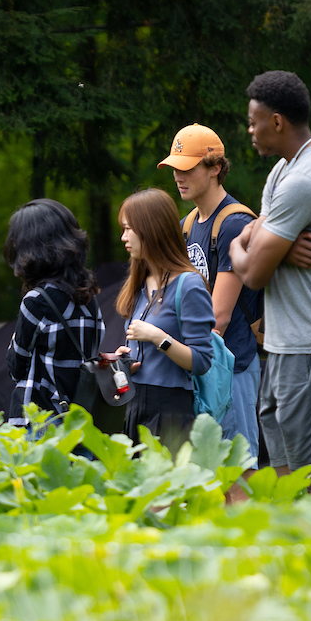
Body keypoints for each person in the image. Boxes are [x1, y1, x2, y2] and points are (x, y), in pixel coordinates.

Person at [159, 123, 311, 470]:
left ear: (216, 168)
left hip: (231, 364)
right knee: (206, 473)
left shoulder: (234, 223)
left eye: (188, 168)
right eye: (175, 168)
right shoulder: (187, 224)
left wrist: (179, 352)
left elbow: (219, 316)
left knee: (238, 470)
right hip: (199, 363)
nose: (178, 176)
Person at [230, 71, 311, 496]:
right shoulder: (283, 172)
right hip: (286, 343)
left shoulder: (306, 179)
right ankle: (291, 533)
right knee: (285, 464)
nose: (250, 131)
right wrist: (273, 247)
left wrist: (239, 245)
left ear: (277, 121)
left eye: (254, 122)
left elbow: (252, 272)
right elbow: (255, 238)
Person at [115, 188, 216, 454]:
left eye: (128, 229)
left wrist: (158, 337)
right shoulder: (139, 282)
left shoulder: (189, 285)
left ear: (151, 228)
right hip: (133, 405)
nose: (124, 237)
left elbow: (201, 361)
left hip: (170, 411)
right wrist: (124, 359)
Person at [4, 199, 104, 428]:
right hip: (81, 420)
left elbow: (16, 368)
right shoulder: (89, 297)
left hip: (41, 421)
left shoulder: (36, 301)